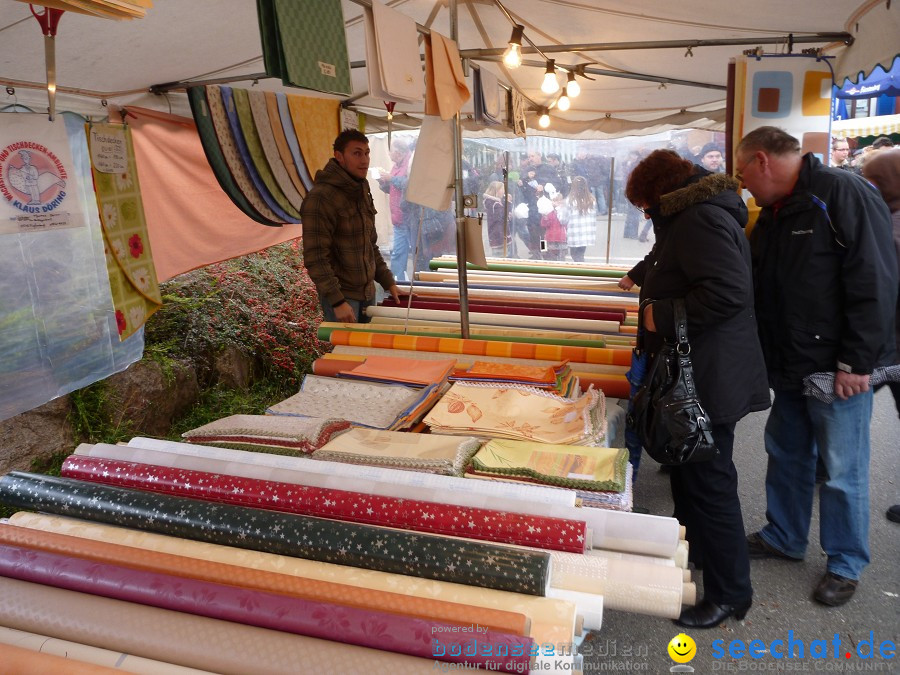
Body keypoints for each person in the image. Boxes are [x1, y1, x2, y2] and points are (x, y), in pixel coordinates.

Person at [736, 126, 897, 607]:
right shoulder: (775, 211)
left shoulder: (841, 192)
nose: (744, 185)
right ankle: (784, 535)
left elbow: (875, 279)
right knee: (786, 452)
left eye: (744, 174)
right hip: (790, 361)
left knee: (844, 469)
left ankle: (845, 564)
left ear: (762, 160)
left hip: (837, 365)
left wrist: (855, 361)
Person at [618, 149, 770, 629]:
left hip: (708, 374)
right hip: (701, 369)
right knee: (691, 473)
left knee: (710, 484)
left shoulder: (699, 218)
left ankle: (729, 595)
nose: (646, 214)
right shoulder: (690, 214)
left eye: (645, 204)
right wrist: (645, 278)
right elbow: (673, 264)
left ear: (661, 193)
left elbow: (727, 291)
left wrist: (656, 315)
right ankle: (699, 555)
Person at [301, 129, 400, 324]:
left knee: (366, 353)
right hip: (343, 298)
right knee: (346, 354)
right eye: (356, 153)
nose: (364, 160)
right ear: (339, 157)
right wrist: (337, 301)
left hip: (368, 294)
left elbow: (370, 246)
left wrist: (388, 282)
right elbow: (316, 258)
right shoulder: (321, 198)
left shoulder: (361, 188)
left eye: (367, 152)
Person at [861, 148, 900, 525]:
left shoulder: (886, 225)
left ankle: (823, 461)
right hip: (884, 343)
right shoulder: (885, 217)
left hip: (883, 344)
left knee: (844, 403)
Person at [377, 139, 413, 281]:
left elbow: (409, 185)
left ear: (398, 152)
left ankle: (411, 280)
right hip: (399, 217)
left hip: (409, 217)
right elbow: (392, 188)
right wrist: (383, 182)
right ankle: (397, 282)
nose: (389, 154)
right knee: (398, 252)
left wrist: (391, 178)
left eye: (390, 151)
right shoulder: (397, 165)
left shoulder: (410, 164)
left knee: (407, 252)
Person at [564, 176, 597, 262]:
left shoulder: (570, 200)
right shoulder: (591, 200)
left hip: (574, 234)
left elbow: (564, 218)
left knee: (575, 255)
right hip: (586, 233)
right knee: (580, 254)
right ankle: (582, 269)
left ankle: (582, 271)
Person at [483, 181, 512, 257]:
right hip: (499, 236)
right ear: (497, 191)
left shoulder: (492, 202)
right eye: (502, 189)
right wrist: (508, 203)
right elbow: (502, 217)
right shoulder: (495, 204)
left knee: (500, 257)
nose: (504, 191)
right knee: (501, 258)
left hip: (496, 235)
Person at [538, 187, 567, 261]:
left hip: (560, 238)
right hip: (550, 238)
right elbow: (543, 225)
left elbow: (565, 224)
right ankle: (543, 255)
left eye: (559, 201)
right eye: (554, 201)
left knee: (560, 258)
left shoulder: (562, 212)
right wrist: (545, 217)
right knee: (551, 258)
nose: (556, 203)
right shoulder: (549, 212)